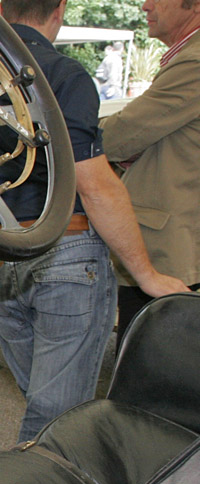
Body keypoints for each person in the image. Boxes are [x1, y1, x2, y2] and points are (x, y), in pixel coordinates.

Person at [0, 0, 187, 443]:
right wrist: (148, 276)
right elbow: (95, 185)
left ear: (4, 7)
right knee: (57, 414)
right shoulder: (65, 75)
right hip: (67, 250)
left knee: (44, 399)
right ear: (60, 9)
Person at [101, 0, 200, 347]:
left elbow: (118, 137)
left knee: (147, 377)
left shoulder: (193, 62)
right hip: (178, 247)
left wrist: (75, 130)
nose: (145, 6)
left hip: (168, 253)